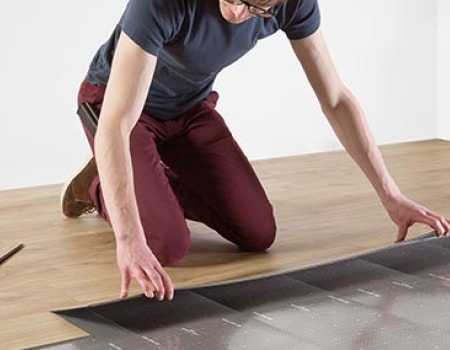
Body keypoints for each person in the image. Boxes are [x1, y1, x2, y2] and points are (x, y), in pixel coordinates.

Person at [62, 0, 450, 302]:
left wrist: (392, 196)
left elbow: (335, 99)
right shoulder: (162, 3)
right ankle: (96, 185)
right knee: (166, 243)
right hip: (118, 108)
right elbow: (117, 121)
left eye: (257, 7)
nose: (236, 12)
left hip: (189, 109)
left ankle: (143, 182)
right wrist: (129, 239)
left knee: (257, 233)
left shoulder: (295, 4)